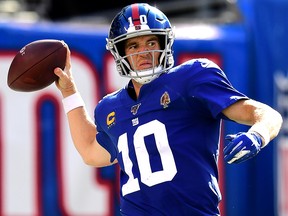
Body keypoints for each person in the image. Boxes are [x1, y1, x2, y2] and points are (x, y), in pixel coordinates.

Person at [54, 3, 283, 216]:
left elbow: (268, 115)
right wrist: (69, 91)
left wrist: (257, 135)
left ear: (165, 44)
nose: (143, 52)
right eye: (133, 45)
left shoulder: (192, 78)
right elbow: (90, 152)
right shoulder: (110, 108)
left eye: (151, 43)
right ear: (120, 53)